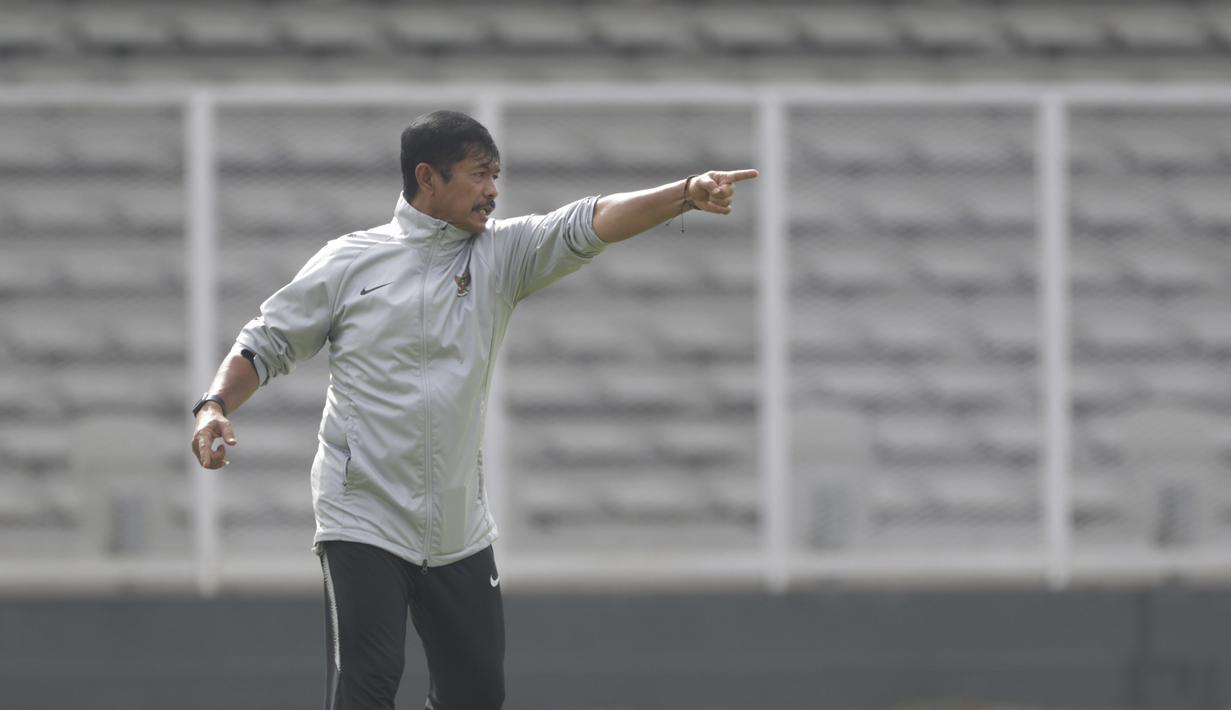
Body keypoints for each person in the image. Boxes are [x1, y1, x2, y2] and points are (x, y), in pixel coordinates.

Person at [189, 109, 757, 710]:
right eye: (479, 174)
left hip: (457, 527)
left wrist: (685, 196)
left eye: (497, 175)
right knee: (367, 683)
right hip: (363, 515)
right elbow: (266, 340)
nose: (492, 189)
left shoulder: (500, 255)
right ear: (428, 178)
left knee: (478, 695)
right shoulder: (348, 262)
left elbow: (587, 221)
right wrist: (214, 406)